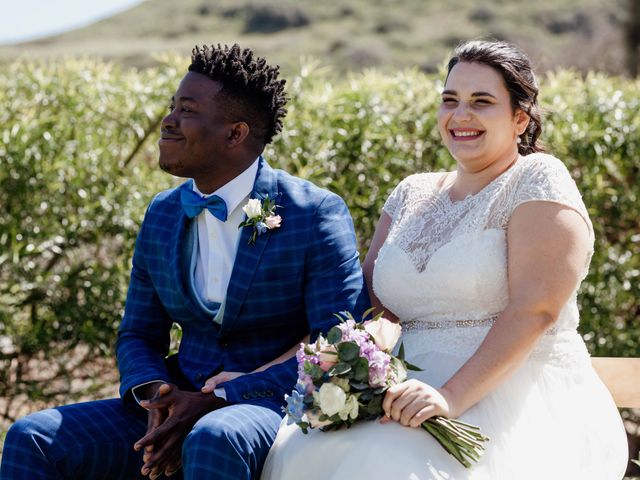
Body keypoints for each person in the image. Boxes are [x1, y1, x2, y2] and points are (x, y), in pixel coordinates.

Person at [260, 40, 629, 480]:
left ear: (520, 118)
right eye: (450, 100)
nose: (461, 115)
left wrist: (449, 396)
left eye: (482, 102)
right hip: (398, 392)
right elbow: (374, 313)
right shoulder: (410, 192)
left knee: (383, 467)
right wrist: (309, 369)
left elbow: (536, 309)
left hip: (506, 396)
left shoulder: (537, 180)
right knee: (313, 452)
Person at [0, 44, 368, 480]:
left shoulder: (314, 212)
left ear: (235, 134)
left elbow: (337, 342)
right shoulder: (163, 212)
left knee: (214, 437)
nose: (168, 120)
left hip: (267, 402)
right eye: (172, 106)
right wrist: (158, 395)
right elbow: (138, 333)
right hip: (174, 400)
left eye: (187, 110)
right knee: (33, 438)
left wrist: (226, 395)